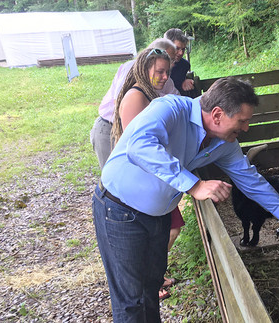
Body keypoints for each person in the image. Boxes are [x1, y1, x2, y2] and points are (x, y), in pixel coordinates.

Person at [92, 77, 279, 322]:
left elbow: (250, 180)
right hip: (119, 210)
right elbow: (139, 145)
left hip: (157, 215)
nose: (246, 128)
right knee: (131, 300)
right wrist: (194, 184)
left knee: (150, 287)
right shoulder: (170, 109)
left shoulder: (224, 143)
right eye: (242, 121)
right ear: (218, 114)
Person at [110, 45, 184, 300]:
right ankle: (147, 283)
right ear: (144, 69)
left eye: (168, 72)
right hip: (142, 182)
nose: (165, 77)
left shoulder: (152, 94)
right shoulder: (136, 97)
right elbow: (138, 146)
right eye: (160, 72)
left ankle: (153, 280)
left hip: (156, 179)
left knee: (168, 228)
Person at [90, 38, 180, 169]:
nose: (172, 63)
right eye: (169, 58)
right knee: (114, 176)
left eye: (171, 63)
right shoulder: (131, 74)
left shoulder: (164, 79)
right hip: (109, 127)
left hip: (133, 133)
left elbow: (177, 99)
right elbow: (120, 105)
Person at [164, 28, 196, 97]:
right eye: (177, 48)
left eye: (183, 49)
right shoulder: (154, 65)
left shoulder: (184, 65)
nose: (181, 53)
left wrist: (183, 83)